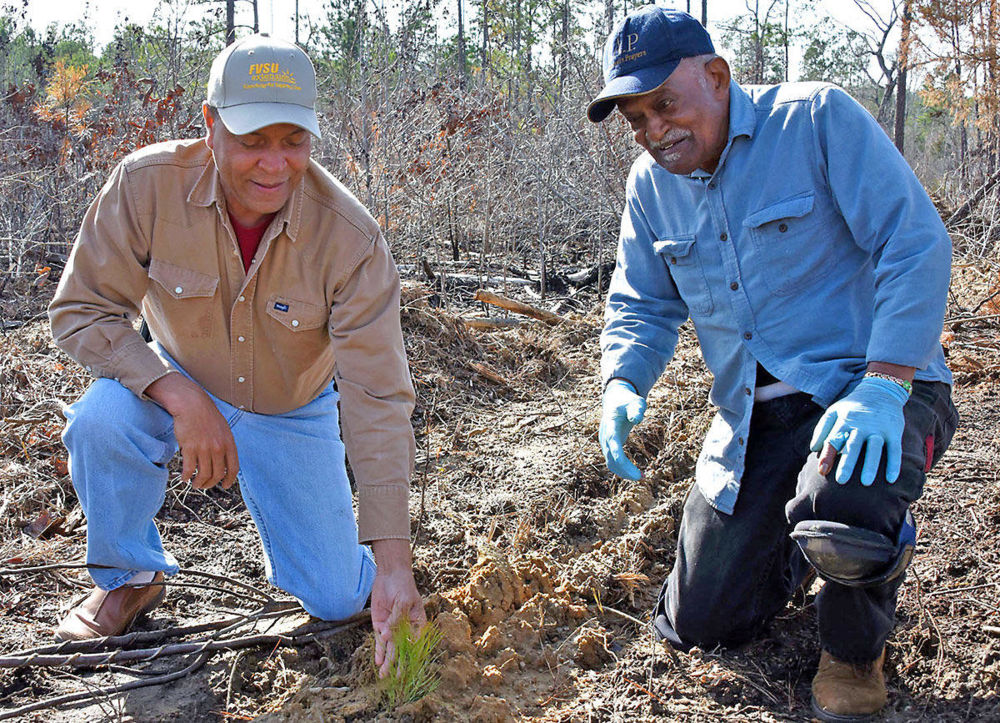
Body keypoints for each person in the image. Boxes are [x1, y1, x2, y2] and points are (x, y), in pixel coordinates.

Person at [588, 6, 959, 721]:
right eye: (636, 119)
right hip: (755, 421)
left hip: (880, 387)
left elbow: (913, 243)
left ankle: (855, 644)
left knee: (844, 500)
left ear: (718, 77)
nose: (654, 131)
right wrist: (622, 382)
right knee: (700, 621)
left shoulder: (816, 120)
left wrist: (883, 382)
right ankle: (809, 540)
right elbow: (640, 303)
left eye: (664, 104)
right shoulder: (650, 187)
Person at [48, 34, 422, 675]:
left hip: (290, 408)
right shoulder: (146, 186)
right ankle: (128, 576)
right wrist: (179, 394)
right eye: (253, 141)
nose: (275, 164)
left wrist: (394, 564)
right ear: (211, 125)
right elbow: (80, 311)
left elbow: (377, 396)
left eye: (293, 141)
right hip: (175, 376)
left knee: (337, 598)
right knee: (101, 421)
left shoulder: (351, 239)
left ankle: (359, 573)